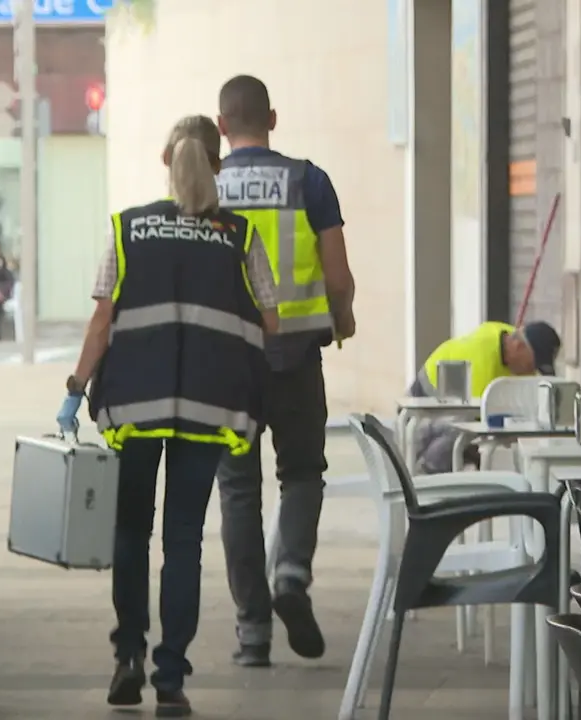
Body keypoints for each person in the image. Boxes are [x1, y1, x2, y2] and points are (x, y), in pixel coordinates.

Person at [57, 115, 277, 717]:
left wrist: (76, 388)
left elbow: (102, 321)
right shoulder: (240, 235)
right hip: (208, 408)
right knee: (183, 541)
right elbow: (270, 320)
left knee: (131, 533)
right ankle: (171, 678)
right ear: (216, 163)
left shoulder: (130, 230)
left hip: (136, 405)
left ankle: (128, 656)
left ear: (167, 160)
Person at [212, 74, 357, 667]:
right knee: (301, 474)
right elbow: (339, 276)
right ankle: (291, 574)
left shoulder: (206, 187)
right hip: (296, 357)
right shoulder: (309, 181)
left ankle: (251, 633)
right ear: (272, 119)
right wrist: (342, 320)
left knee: (238, 491)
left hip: (226, 367)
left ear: (221, 127)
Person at [409, 320, 560, 474]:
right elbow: (475, 421)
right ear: (518, 348)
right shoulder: (482, 362)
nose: (531, 373)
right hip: (430, 389)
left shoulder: (513, 337)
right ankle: (425, 475)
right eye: (531, 366)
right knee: (453, 437)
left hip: (457, 395)